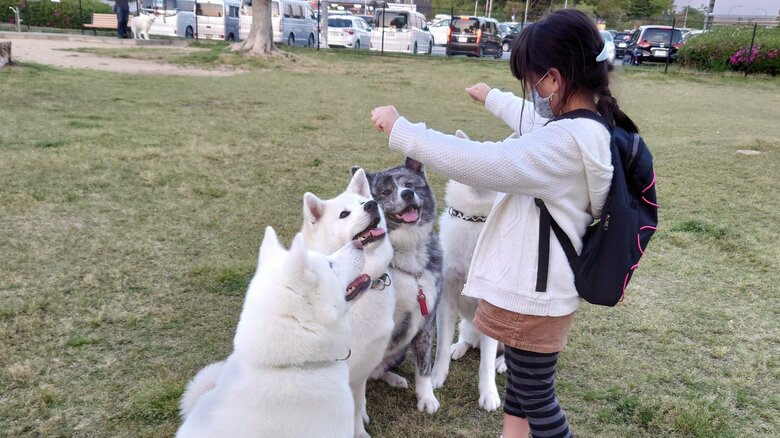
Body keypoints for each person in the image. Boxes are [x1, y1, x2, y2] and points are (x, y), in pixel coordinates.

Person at [371, 8, 639, 438]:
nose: (531, 91)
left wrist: (404, 131)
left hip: (536, 297)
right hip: (543, 289)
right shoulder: (586, 125)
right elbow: (531, 121)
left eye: (531, 81)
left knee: (536, 399)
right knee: (522, 391)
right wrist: (492, 98)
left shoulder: (567, 144)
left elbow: (486, 163)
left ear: (553, 79)